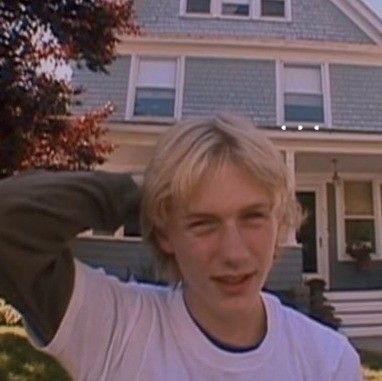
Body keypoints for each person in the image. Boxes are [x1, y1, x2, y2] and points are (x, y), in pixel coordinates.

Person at [0, 115, 362, 380]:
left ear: (280, 221)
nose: (234, 253)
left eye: (253, 217)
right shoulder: (116, 327)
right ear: (165, 235)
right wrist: (143, 195)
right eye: (203, 223)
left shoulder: (327, 362)